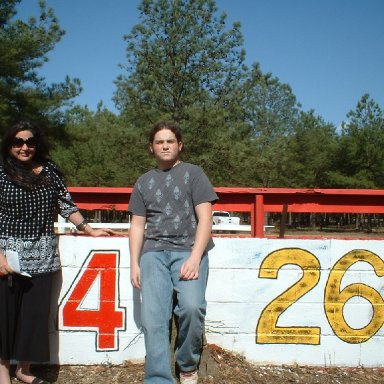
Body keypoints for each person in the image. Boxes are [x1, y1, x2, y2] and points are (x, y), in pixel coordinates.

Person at [0, 120, 115, 384]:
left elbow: (65, 204)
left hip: (44, 257)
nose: (24, 147)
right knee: (4, 316)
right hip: (6, 258)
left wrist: (88, 229)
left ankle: (24, 370)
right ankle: (3, 371)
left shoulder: (50, 171)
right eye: (18, 142)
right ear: (9, 145)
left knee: (34, 315)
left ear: (37, 144)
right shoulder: (1, 173)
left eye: (29, 141)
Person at [129, 121, 218, 384]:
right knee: (153, 317)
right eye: (159, 142)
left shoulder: (194, 174)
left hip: (189, 252)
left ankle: (187, 365)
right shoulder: (143, 182)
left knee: (191, 307)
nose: (165, 145)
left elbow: (206, 219)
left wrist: (194, 257)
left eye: (170, 141)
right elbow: (137, 225)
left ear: (179, 145)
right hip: (153, 254)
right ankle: (158, 378)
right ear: (151, 148)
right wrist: (134, 263)